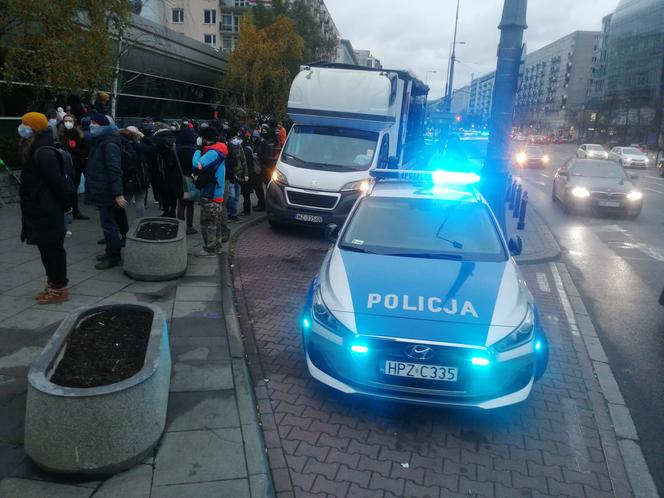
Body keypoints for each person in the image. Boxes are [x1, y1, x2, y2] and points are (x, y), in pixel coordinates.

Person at [18, 112, 72, 304]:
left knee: (53, 249)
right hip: (39, 209)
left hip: (47, 210)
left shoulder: (44, 152)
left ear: (34, 128)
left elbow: (57, 184)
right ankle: (53, 283)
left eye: (24, 124)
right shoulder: (35, 147)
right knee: (46, 249)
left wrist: (67, 207)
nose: (21, 128)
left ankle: (59, 289)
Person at [85, 114, 126, 269]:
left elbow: (114, 169)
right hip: (102, 189)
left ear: (104, 126)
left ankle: (113, 256)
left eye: (95, 123)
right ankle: (111, 251)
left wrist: (117, 193)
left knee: (109, 225)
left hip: (107, 191)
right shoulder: (100, 141)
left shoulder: (108, 144)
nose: (92, 126)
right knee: (108, 224)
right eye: (91, 123)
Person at [192, 127, 227, 257]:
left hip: (211, 193)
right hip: (216, 192)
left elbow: (196, 165)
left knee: (207, 223)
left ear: (205, 139)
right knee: (215, 222)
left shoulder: (213, 153)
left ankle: (210, 249)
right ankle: (216, 247)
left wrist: (197, 149)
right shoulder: (220, 150)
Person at [59, 114, 89, 220]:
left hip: (76, 166)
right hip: (64, 166)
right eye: (66, 121)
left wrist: (74, 149)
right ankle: (67, 210)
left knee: (73, 189)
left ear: (74, 122)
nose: (68, 123)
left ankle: (75, 211)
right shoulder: (61, 135)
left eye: (70, 121)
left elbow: (85, 151)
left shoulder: (80, 135)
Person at [173, 126, 198, 234]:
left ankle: (180, 226)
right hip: (190, 180)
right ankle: (189, 227)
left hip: (178, 179)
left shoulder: (175, 148)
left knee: (180, 202)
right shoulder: (194, 150)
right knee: (190, 203)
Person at [120, 126, 149, 218]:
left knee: (124, 201)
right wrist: (144, 136)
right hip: (140, 177)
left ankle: (120, 223)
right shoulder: (139, 147)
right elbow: (153, 147)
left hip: (126, 178)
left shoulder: (120, 147)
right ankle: (141, 222)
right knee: (140, 201)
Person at [226, 131, 249, 221]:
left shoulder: (239, 147)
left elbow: (243, 160)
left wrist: (246, 173)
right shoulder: (227, 147)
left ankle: (233, 214)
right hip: (231, 175)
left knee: (236, 196)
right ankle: (229, 213)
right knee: (231, 196)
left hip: (239, 175)